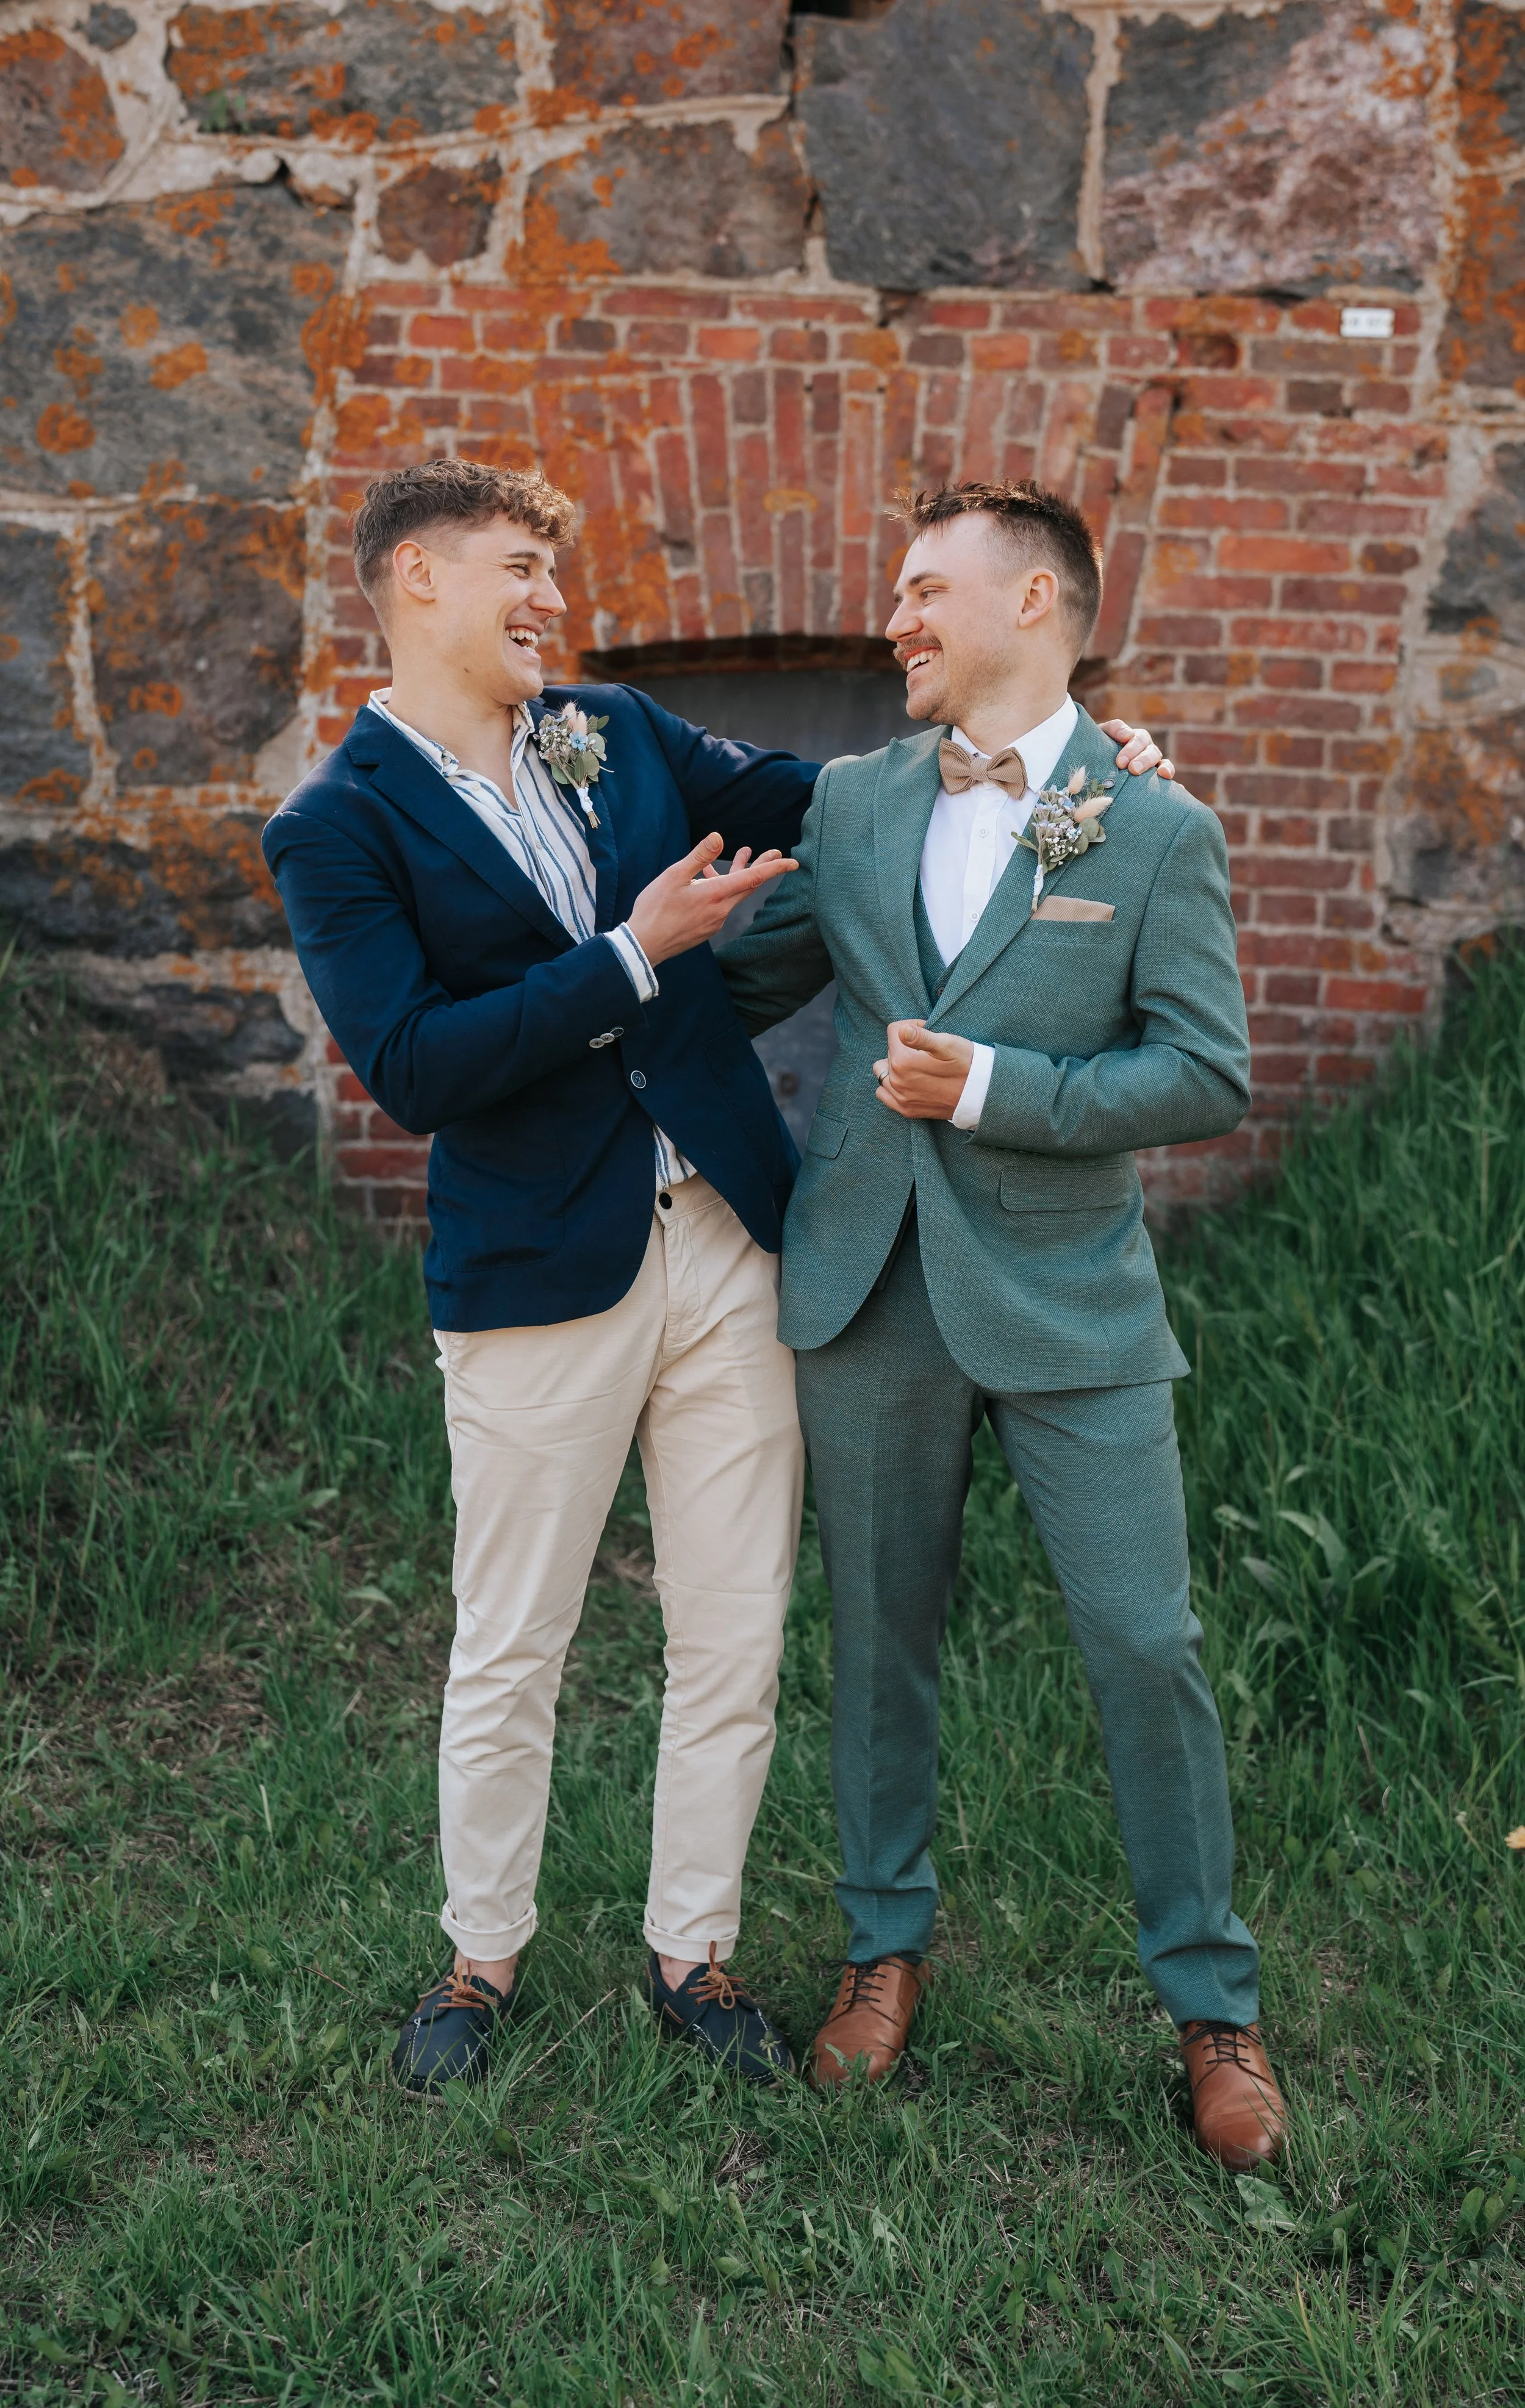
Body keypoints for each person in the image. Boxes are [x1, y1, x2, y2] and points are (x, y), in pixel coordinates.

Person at [261, 455, 1174, 2099]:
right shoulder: (332, 825)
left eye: (555, 566)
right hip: (539, 1263)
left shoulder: (609, 729)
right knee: (512, 1638)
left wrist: (1062, 768)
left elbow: (832, 802)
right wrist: (634, 954)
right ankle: (481, 1957)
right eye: (515, 567)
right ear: (414, 586)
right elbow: (409, 1062)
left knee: (735, 1628)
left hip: (731, 1241)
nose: (549, 595)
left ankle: (695, 1950)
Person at [717, 478, 1286, 2169]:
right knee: (877, 1636)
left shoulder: (1153, 827)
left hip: (1070, 1299)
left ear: (1035, 600)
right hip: (867, 1288)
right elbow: (732, 984)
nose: (891, 618)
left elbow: (1205, 1067)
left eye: (920, 589)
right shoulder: (849, 804)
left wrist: (1000, 1085)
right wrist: (588, 967)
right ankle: (880, 1948)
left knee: (1144, 1640)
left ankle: (1210, 2002)